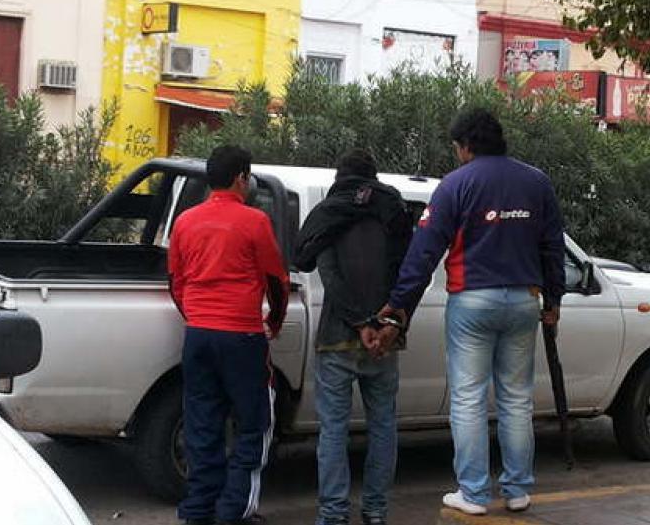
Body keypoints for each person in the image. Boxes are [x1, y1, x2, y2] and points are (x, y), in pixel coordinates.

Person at [378, 109, 565, 515]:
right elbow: (553, 245)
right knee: (517, 399)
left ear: (465, 146)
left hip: (472, 301)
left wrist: (400, 305)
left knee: (468, 398)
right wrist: (554, 301)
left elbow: (424, 252)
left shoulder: (455, 185)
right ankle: (517, 490)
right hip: (524, 300)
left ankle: (474, 493)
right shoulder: (536, 182)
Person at [293, 151, 417, 525]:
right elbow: (405, 272)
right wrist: (384, 325)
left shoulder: (329, 214)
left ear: (340, 178)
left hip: (337, 337)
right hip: (386, 338)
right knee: (383, 426)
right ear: (373, 178)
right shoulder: (392, 212)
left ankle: (333, 514)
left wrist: (360, 323)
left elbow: (330, 276)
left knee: (333, 429)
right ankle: (375, 511)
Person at [169, 145, 290, 525]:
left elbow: (176, 282)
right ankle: (233, 510)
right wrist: (275, 321)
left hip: (198, 335)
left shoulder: (185, 221)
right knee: (255, 424)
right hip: (242, 337)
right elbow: (276, 280)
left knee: (202, 424)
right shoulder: (255, 221)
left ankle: (198, 510)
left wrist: (196, 316)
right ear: (241, 178)